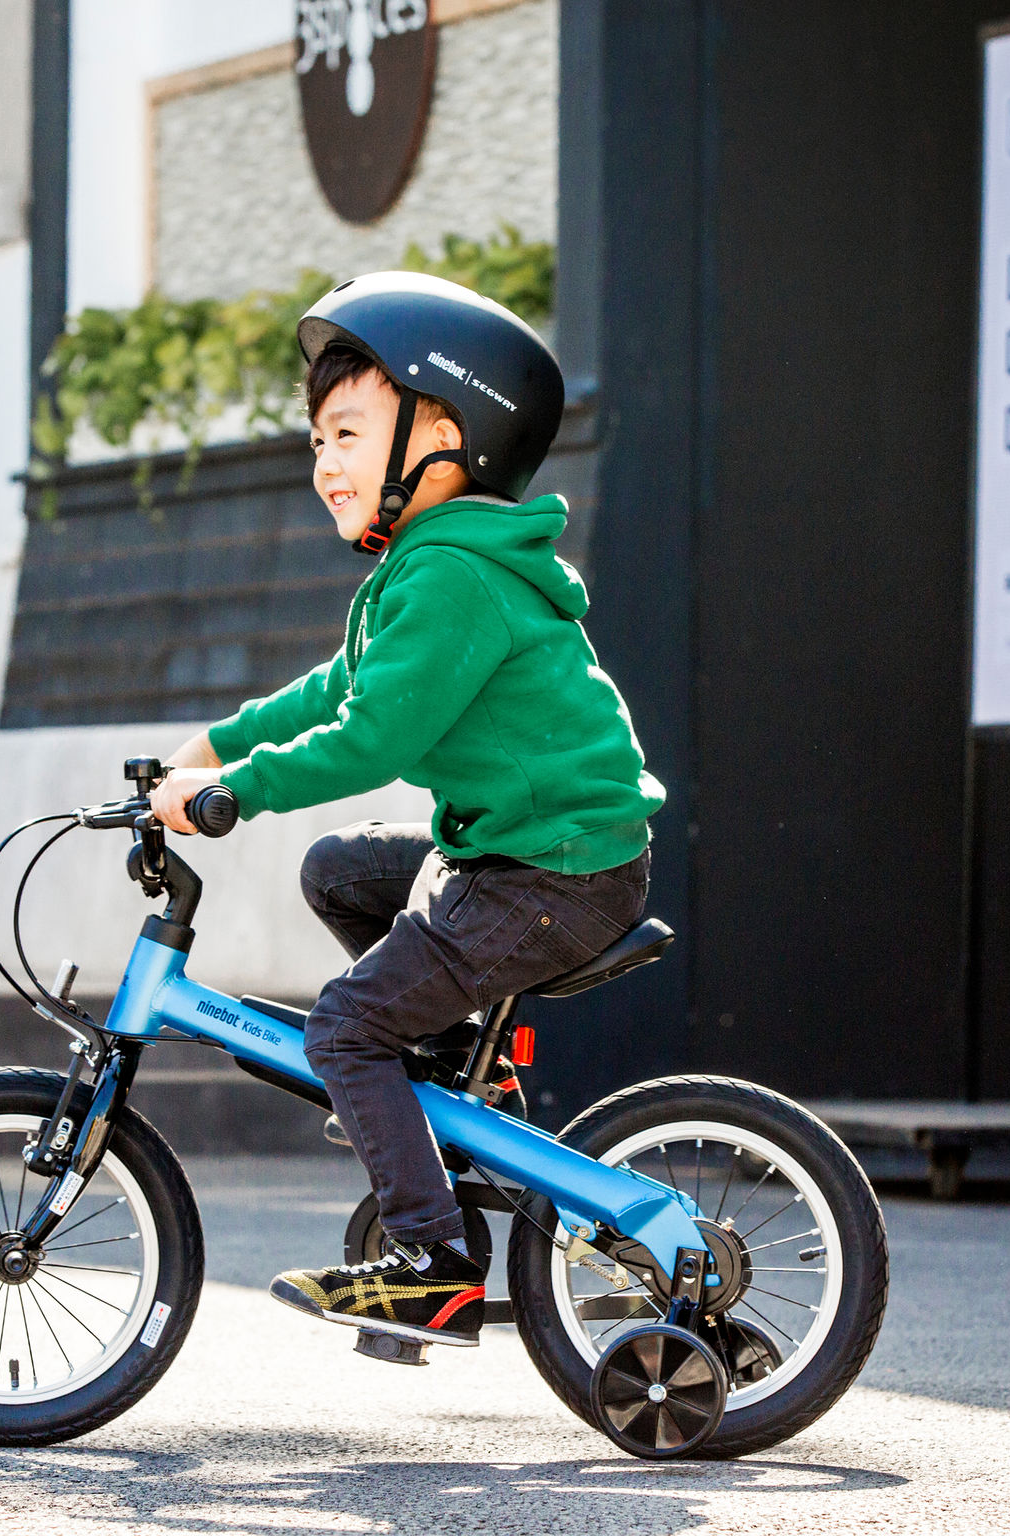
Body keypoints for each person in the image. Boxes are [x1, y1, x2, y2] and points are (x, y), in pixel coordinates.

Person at [149, 272, 666, 1349]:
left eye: (347, 433)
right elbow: (335, 691)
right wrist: (217, 744)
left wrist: (236, 794)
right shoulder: (423, 567)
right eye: (317, 442)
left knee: (345, 1023)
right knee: (339, 869)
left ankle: (433, 1259)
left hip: (554, 872)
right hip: (520, 857)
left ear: (443, 432)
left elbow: (369, 739)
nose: (324, 462)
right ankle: (449, 1075)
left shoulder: (450, 579)